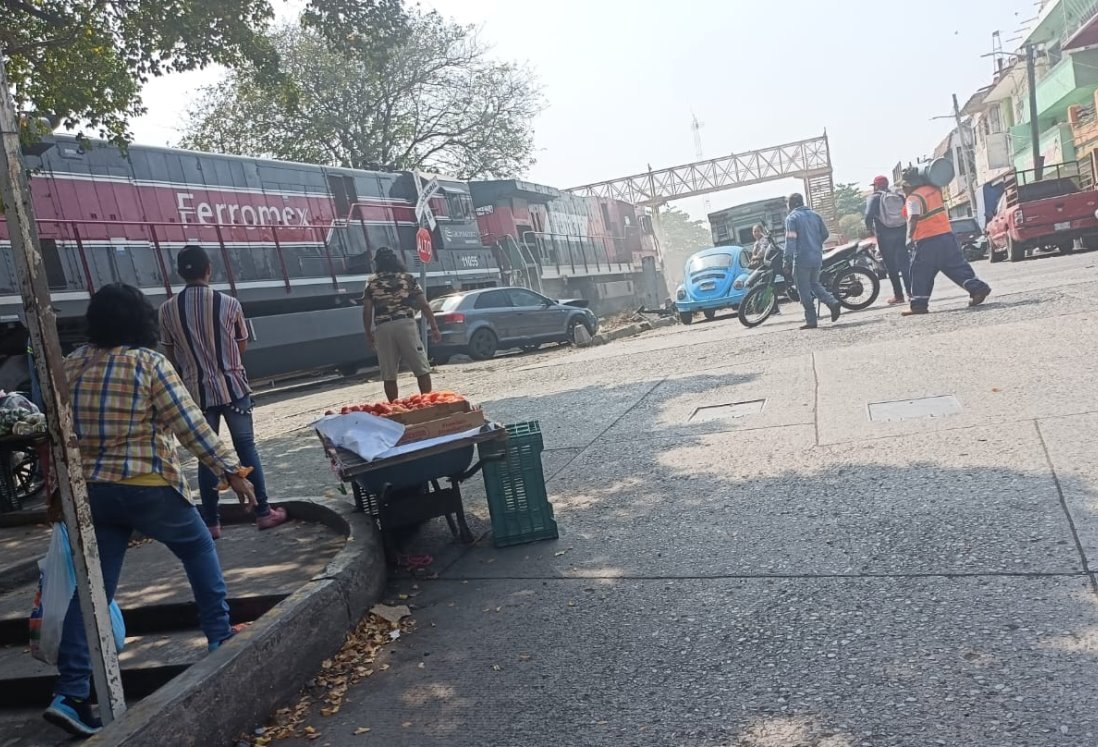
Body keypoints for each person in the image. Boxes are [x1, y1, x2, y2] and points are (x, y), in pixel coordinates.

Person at [47, 284, 256, 737]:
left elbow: (55, 428)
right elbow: (189, 423)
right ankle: (220, 635)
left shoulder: (71, 364)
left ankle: (70, 694)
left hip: (91, 495)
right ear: (141, 320)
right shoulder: (148, 363)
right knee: (198, 546)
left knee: (94, 590)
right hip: (145, 484)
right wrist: (231, 469)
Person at [158, 245, 287, 538]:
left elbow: (170, 354)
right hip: (234, 387)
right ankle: (263, 512)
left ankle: (211, 522)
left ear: (180, 273)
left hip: (195, 393)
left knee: (206, 455)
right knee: (246, 447)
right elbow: (241, 344)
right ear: (209, 270)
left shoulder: (166, 310)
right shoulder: (229, 303)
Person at [900, 168, 991, 316]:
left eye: (904, 187)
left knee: (920, 272)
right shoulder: (934, 190)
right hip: (946, 236)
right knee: (955, 266)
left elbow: (913, 218)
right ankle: (977, 289)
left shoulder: (913, 198)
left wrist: (909, 237)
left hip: (926, 241)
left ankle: (918, 305)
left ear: (909, 185)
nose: (903, 190)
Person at [362, 247, 442, 402]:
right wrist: (434, 327)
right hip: (406, 325)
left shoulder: (372, 282)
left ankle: (394, 406)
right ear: (396, 260)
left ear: (377, 263)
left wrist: (368, 333)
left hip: (383, 328)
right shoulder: (408, 278)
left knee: (389, 374)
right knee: (421, 368)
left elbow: (367, 310)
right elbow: (424, 305)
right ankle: (427, 403)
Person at [784, 193, 841, 330]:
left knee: (803, 289)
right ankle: (832, 302)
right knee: (815, 284)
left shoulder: (792, 218)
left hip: (802, 258)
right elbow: (825, 234)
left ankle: (811, 320)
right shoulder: (816, 215)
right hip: (817, 256)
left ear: (791, 204)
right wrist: (815, 244)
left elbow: (791, 240)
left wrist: (787, 260)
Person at [865, 175, 912, 304]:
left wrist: (870, 229)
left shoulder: (874, 198)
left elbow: (868, 216)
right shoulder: (899, 196)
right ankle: (911, 293)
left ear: (876, 186)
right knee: (905, 265)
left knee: (891, 267)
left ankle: (898, 296)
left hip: (884, 236)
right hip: (901, 233)